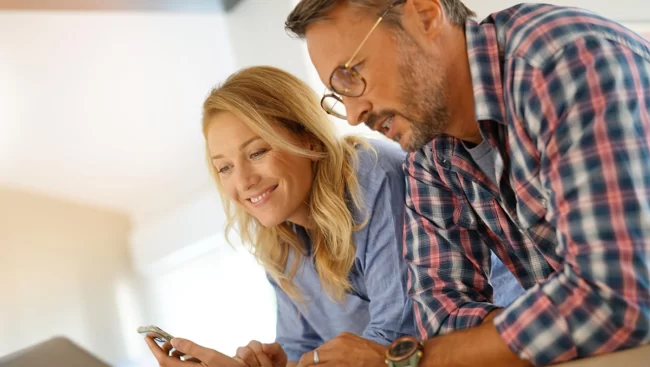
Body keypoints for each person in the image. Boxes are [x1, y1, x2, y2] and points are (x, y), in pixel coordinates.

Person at [286, 0, 650, 366]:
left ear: (425, 16)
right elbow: (441, 314)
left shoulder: (559, 62)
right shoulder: (429, 151)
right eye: (339, 95)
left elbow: (616, 296)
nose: (352, 115)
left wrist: (404, 362)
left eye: (350, 75)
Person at [144, 65, 421, 367]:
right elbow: (301, 348)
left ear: (308, 138)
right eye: (225, 168)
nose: (243, 182)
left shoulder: (370, 176)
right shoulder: (281, 238)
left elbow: (395, 344)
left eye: (257, 152)